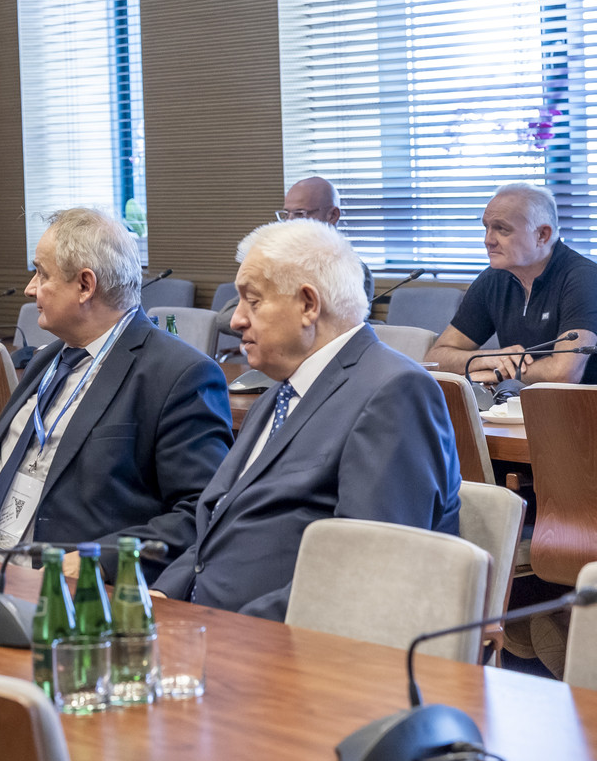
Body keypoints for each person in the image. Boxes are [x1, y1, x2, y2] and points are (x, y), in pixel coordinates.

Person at [153, 220, 461, 620]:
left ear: (308, 305)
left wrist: (227, 630)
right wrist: (160, 596)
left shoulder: (394, 392)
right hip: (202, 627)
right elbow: (214, 531)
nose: (236, 320)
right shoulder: (276, 395)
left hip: (282, 642)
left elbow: (368, 571)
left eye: (253, 301)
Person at [0, 208, 232, 571]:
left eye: (42, 274)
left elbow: (200, 513)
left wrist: (97, 562)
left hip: (65, 587)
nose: (30, 289)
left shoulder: (180, 374)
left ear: (85, 285)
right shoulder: (47, 359)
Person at [426, 182, 597, 385]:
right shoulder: (494, 278)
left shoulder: (583, 278)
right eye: (486, 227)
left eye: (502, 229)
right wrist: (489, 358)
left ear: (542, 235)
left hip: (580, 403)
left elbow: (563, 373)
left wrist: (496, 375)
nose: (488, 240)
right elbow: (435, 359)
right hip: (514, 401)